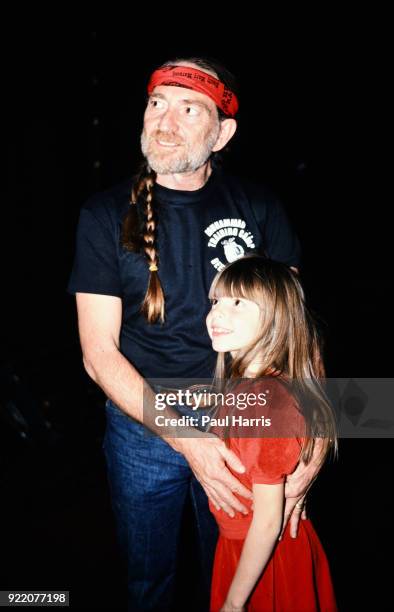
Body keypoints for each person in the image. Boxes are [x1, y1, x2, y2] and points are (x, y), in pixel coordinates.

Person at [67, 56, 322, 611]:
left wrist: (318, 439)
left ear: (223, 132)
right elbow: (97, 353)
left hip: (246, 422)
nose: (165, 122)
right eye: (157, 104)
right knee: (147, 581)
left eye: (189, 109)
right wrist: (188, 440)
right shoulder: (105, 213)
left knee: (231, 578)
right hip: (143, 429)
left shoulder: (259, 206)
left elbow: (296, 333)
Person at [204, 254, 338, 611]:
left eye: (237, 303)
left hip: (266, 556)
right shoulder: (252, 388)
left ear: (277, 318)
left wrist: (234, 603)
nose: (218, 313)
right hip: (245, 547)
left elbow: (267, 522)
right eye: (216, 301)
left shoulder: (265, 401)